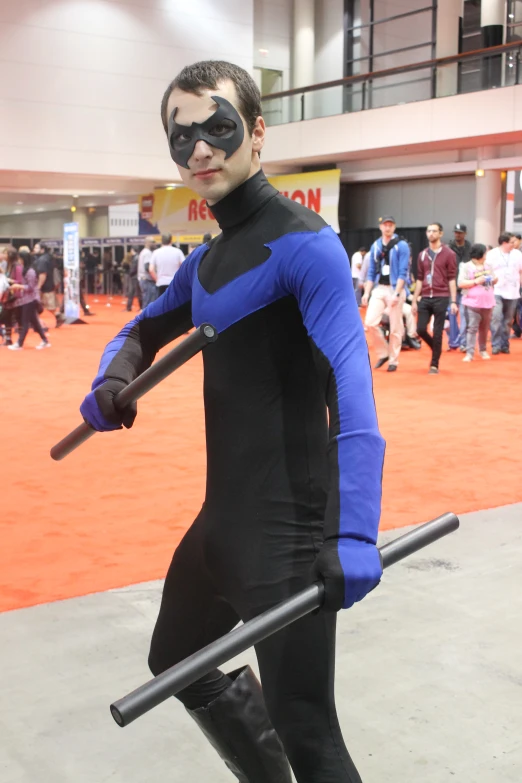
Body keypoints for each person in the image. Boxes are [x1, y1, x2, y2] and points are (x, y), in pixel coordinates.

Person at [79, 59, 385, 783]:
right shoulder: (209, 260)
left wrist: (353, 528)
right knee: (178, 660)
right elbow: (144, 330)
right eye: (180, 138)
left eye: (216, 128)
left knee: (309, 731)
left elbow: (353, 389)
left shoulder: (306, 247)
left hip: (292, 539)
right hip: (223, 523)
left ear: (256, 132)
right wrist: (113, 378)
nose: (199, 150)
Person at [362, 216, 409, 372]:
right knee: (369, 322)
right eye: (385, 225)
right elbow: (371, 271)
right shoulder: (376, 246)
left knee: (396, 327)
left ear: (394, 227)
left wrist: (397, 293)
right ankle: (384, 353)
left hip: (395, 288)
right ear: (380, 227)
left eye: (390, 225)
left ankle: (393, 360)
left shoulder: (401, 246)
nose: (387, 228)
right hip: (380, 287)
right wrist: (366, 292)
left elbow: (403, 271)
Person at [411, 223, 457, 375]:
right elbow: (419, 278)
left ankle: (434, 364)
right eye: (429, 231)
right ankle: (436, 347)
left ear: (441, 234)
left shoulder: (449, 254)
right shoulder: (422, 254)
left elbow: (451, 279)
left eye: (434, 231)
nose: (431, 234)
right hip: (425, 296)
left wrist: (454, 301)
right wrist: (414, 300)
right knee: (420, 329)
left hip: (441, 296)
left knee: (438, 332)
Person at [458, 243, 497, 362]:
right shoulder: (466, 266)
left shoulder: (488, 266)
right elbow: (461, 283)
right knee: (471, 329)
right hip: (471, 303)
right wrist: (476, 281)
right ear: (480, 254)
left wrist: (493, 279)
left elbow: (495, 279)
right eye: (485, 252)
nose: (486, 255)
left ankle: (483, 350)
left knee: (484, 329)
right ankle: (470, 353)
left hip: (488, 302)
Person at [7, 250, 50, 350]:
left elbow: (31, 287)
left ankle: (19, 343)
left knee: (25, 322)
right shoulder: (25, 270)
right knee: (34, 322)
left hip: (30, 300)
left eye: (19, 258)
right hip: (27, 299)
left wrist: (18, 286)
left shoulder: (30, 271)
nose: (18, 261)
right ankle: (45, 340)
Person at [487, 232, 522, 354]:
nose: (514, 244)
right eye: (512, 242)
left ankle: (504, 344)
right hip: (496, 290)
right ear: (504, 243)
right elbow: (486, 271)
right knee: (496, 318)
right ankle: (495, 344)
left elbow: (521, 271)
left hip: (513, 291)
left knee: (507, 321)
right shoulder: (492, 254)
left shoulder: (518, 255)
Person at [448, 223, 472, 351]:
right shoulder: (448, 248)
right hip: (450, 286)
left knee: (464, 315)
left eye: (460, 232)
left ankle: (463, 342)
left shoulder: (470, 247)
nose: (457, 234)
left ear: (465, 233)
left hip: (465, 286)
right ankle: (453, 341)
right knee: (451, 315)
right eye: (456, 232)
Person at [34, 243, 64, 327]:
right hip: (49, 285)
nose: (34, 250)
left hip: (44, 286)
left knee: (46, 305)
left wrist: (39, 286)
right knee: (49, 306)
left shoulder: (42, 260)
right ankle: (58, 316)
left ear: (42, 249)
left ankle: (39, 323)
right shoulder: (49, 257)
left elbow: (42, 274)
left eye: (36, 248)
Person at [137, 236, 157, 308]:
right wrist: (156, 277)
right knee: (149, 301)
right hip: (147, 280)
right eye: (153, 242)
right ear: (148, 243)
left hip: (143, 279)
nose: (155, 244)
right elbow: (147, 267)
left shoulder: (143, 252)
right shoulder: (147, 253)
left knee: (146, 300)